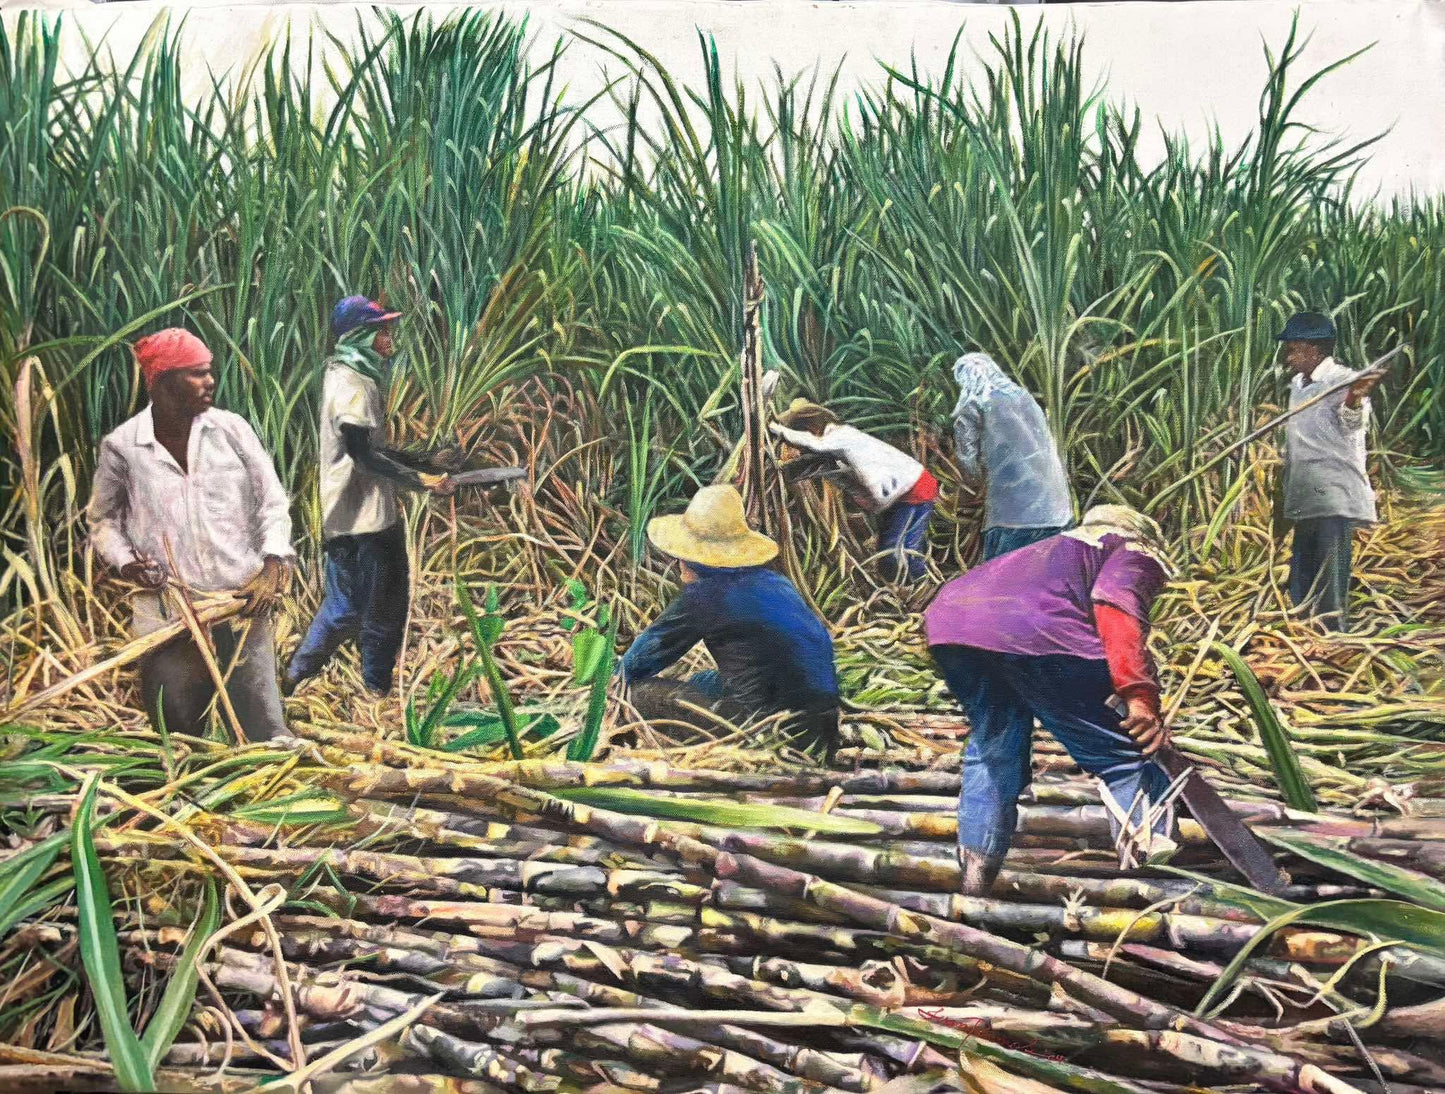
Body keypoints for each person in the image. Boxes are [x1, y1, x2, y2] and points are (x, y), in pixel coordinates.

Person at [923, 505, 1173, 895]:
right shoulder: (1131, 548)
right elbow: (1115, 606)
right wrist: (1139, 696)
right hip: (1041, 634)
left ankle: (975, 875)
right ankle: (1147, 882)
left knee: (993, 748)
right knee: (1125, 757)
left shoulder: (1044, 551)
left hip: (951, 626)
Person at [88, 328, 296, 741]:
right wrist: (128, 565)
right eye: (196, 374)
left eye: (209, 372)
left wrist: (273, 563)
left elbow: (273, 501)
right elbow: (103, 521)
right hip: (170, 609)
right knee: (180, 736)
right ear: (161, 382)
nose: (210, 382)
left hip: (240, 602)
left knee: (264, 733)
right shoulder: (124, 446)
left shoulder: (231, 431)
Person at [284, 295, 457, 697]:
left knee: (344, 608)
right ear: (361, 336)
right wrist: (422, 480)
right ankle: (376, 692)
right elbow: (363, 456)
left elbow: (364, 448)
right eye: (382, 330)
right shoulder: (354, 385)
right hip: (369, 519)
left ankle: (294, 675)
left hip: (341, 517)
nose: (389, 338)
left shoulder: (339, 374)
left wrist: (425, 461)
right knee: (386, 610)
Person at [620, 484, 840, 757]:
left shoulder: (705, 597)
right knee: (705, 681)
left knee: (636, 695)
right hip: (822, 727)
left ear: (689, 557)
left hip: (767, 732)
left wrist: (604, 683)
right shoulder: (777, 583)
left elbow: (636, 664)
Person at [1276, 312, 1381, 631]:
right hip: (1305, 487)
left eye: (1294, 349)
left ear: (1313, 350)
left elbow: (1353, 423)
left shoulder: (1344, 380)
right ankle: (1303, 628)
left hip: (1333, 488)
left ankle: (1334, 636)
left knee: (1330, 564)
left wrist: (1355, 398)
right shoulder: (1299, 384)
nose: (1289, 357)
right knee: (1303, 565)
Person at [769, 400, 939, 582]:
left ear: (811, 428)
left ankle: (921, 584)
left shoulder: (841, 436)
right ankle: (908, 585)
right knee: (897, 546)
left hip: (915, 490)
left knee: (900, 548)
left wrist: (778, 430)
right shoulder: (845, 443)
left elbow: (817, 445)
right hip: (910, 489)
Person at [950, 352, 1073, 560]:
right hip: (1057, 508)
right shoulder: (1022, 395)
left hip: (1014, 516)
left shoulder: (974, 402)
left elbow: (966, 456)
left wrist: (970, 485)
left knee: (1003, 579)